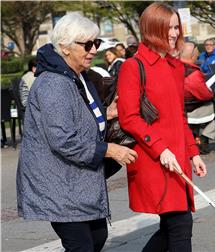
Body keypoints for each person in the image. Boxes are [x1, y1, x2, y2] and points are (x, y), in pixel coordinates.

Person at [16, 13, 138, 252]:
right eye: (88, 44)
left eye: (97, 43)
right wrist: (111, 150)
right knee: (82, 245)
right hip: (59, 183)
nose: (94, 50)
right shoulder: (55, 83)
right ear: (65, 47)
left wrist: (107, 113)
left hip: (75, 182)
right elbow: (64, 139)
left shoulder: (75, 76)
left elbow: (77, 116)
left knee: (97, 237)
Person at [117, 3, 207, 252]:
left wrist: (193, 152)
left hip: (176, 156)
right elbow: (129, 118)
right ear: (152, 29)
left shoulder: (176, 67)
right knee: (179, 225)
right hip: (152, 159)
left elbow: (180, 116)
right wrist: (160, 148)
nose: (174, 33)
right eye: (168, 28)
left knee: (172, 227)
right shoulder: (133, 67)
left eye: (176, 27)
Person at [180, 41, 215, 154]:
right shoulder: (193, 74)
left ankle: (195, 136)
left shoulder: (174, 69)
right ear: (192, 56)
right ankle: (204, 137)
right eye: (197, 53)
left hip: (178, 110)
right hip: (190, 111)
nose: (198, 55)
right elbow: (205, 95)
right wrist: (209, 90)